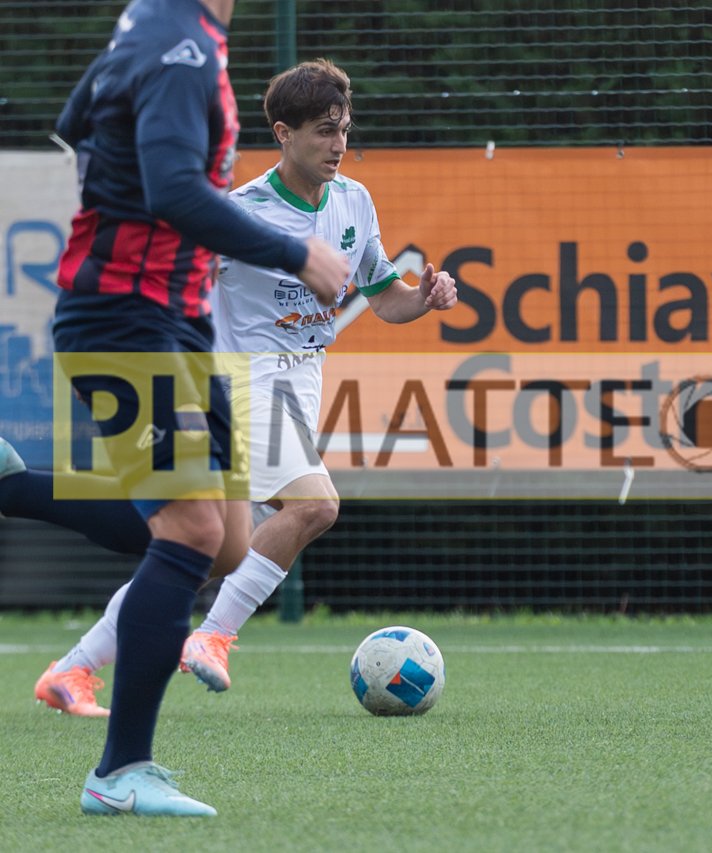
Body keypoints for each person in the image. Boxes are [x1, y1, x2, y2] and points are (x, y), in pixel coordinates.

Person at [21, 60, 456, 717]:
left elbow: (384, 297)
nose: (338, 143)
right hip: (245, 377)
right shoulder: (239, 213)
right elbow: (173, 283)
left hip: (301, 379)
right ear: (283, 134)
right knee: (314, 506)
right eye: (323, 131)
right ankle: (213, 636)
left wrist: (423, 298)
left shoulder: (354, 201)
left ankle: (73, 666)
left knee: (197, 550)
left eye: (344, 129)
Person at [27, 0, 350, 818]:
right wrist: (294, 251)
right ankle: (119, 771)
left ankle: (11, 484)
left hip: (175, 319)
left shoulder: (160, 26)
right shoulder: (181, 45)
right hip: (124, 312)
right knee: (195, 530)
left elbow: (77, 119)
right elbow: (172, 188)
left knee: (226, 540)